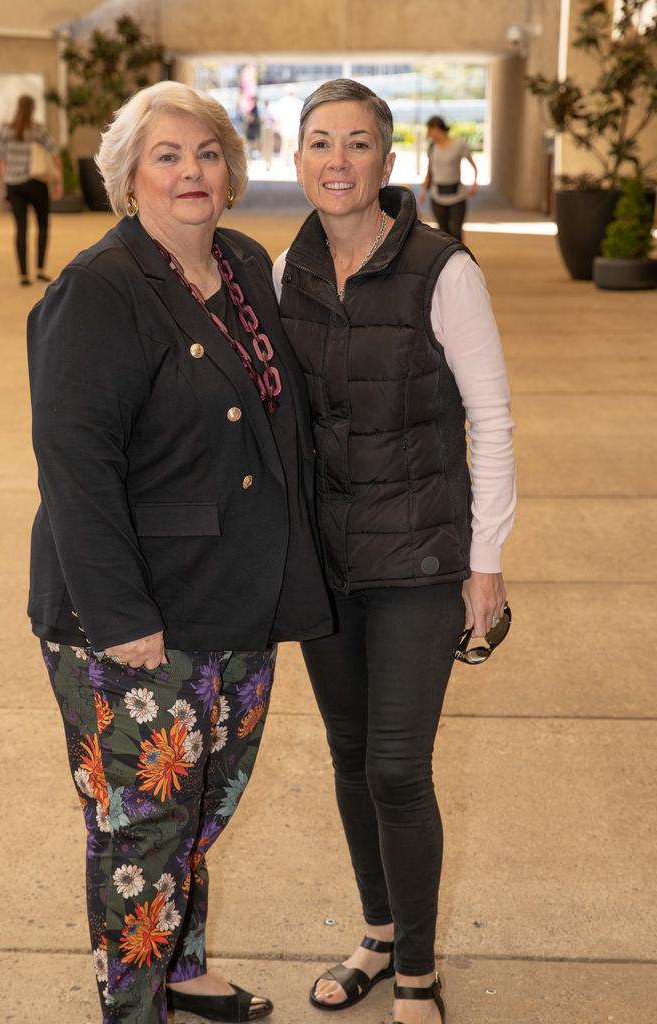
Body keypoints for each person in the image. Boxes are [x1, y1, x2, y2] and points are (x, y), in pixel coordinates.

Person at [27, 80, 332, 1024]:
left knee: (204, 805)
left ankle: (184, 967)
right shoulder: (98, 289)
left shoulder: (241, 262)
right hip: (132, 616)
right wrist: (121, 618)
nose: (191, 172)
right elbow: (76, 471)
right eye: (167, 156)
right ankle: (133, 1006)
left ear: (232, 173)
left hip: (238, 595)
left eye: (206, 154)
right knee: (142, 829)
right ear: (128, 179)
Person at [272, 79, 516, 1024]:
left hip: (419, 559)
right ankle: (376, 932)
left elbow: (490, 419)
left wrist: (484, 559)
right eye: (320, 143)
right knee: (345, 756)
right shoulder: (284, 270)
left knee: (397, 769)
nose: (338, 160)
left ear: (389, 160)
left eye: (358, 142)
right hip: (326, 563)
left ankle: (417, 971)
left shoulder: (441, 268)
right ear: (297, 162)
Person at [0, 95, 62, 286]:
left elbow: (2, 161)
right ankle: (40, 269)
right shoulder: (38, 130)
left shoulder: (6, 130)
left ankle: (23, 275)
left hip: (14, 184)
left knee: (21, 229)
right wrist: (59, 182)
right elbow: (54, 154)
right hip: (35, 183)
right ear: (33, 109)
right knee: (42, 226)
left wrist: (3, 187)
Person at [418, 115, 478, 242]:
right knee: (443, 233)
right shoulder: (432, 147)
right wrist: (423, 190)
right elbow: (429, 171)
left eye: (430, 130)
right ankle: (448, 260)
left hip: (457, 195)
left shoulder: (459, 144)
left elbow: (473, 165)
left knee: (456, 232)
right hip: (437, 195)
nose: (429, 134)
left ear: (437, 128)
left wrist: (474, 183)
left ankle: (461, 259)